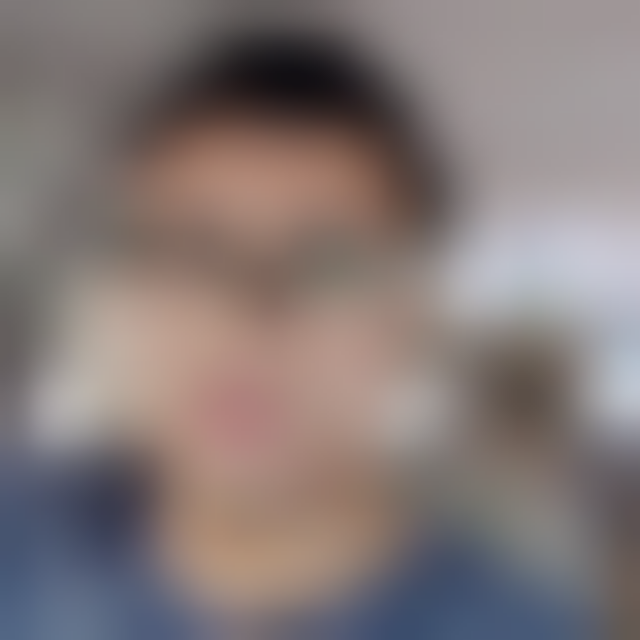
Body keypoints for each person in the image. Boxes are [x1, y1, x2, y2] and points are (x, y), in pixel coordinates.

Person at [1, 32, 588, 639]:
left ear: (412, 321)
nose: (244, 324)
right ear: (117, 299)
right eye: (189, 255)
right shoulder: (21, 538)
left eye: (327, 267)